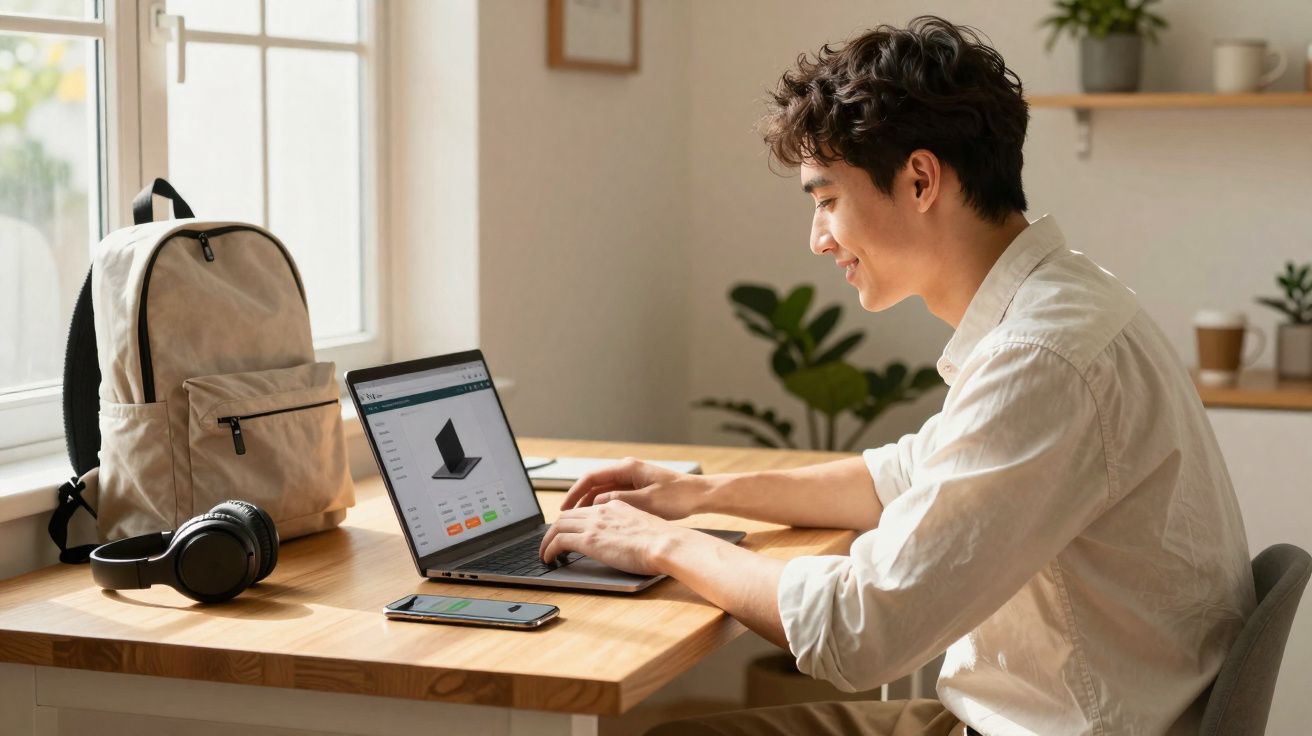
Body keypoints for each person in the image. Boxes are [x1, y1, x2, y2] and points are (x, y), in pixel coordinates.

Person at [538, 16, 1255, 736]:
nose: (818, 239)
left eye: (826, 201)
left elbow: (858, 631)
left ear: (919, 180)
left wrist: (658, 544)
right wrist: (696, 495)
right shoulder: (1061, 303)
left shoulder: (1042, 356)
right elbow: (908, 475)